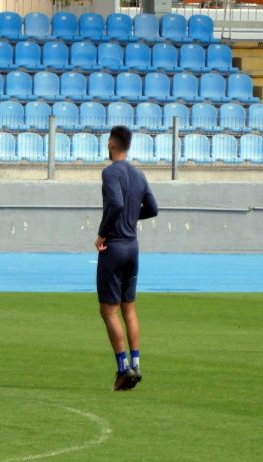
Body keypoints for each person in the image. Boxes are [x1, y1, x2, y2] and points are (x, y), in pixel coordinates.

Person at [96, 125, 158, 391]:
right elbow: (153, 208)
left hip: (115, 247)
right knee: (129, 308)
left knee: (108, 310)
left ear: (111, 143)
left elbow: (117, 203)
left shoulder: (110, 172)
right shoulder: (139, 174)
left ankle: (123, 369)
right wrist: (132, 217)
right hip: (133, 247)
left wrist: (102, 234)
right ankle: (136, 362)